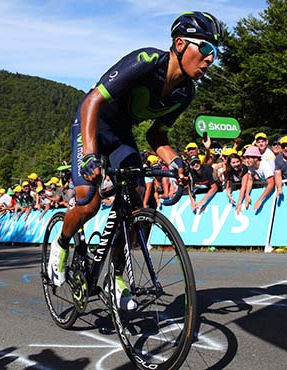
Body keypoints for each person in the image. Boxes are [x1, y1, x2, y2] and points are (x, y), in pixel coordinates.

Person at [47, 11, 224, 308]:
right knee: (88, 200)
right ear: (180, 44)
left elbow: (157, 137)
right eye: (205, 49)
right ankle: (62, 243)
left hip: (120, 135)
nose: (210, 59)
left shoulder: (185, 93)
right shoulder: (146, 61)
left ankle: (115, 274)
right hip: (91, 124)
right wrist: (90, 154)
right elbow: (93, 101)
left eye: (215, 53)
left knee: (139, 200)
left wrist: (176, 162)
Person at [243, 145, 275, 211]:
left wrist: (260, 199)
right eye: (246, 158)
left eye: (248, 158)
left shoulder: (265, 166)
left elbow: (271, 184)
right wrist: (247, 195)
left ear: (256, 158)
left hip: (274, 188)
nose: (247, 160)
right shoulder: (251, 166)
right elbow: (250, 179)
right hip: (266, 186)